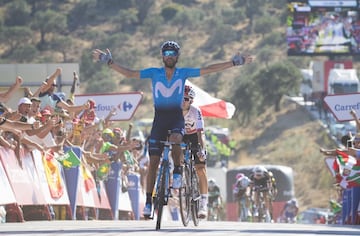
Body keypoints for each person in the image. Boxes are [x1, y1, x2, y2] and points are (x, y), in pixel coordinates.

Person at [92, 40, 253, 217]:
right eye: (166, 54)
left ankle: (177, 171)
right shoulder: (154, 73)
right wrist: (109, 62)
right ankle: (148, 203)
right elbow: (130, 74)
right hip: (159, 119)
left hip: (176, 118)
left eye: (172, 54)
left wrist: (234, 63)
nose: (169, 57)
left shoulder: (183, 73)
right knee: (153, 162)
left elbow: (208, 69)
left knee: (177, 139)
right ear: (162, 56)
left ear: (177, 57)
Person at [182, 84, 208, 218]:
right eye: (180, 98)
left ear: (191, 100)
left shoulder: (195, 111)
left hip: (194, 136)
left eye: (186, 98)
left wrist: (201, 150)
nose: (183, 101)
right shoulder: (173, 110)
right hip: (180, 135)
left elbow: (200, 133)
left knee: (200, 168)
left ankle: (204, 202)